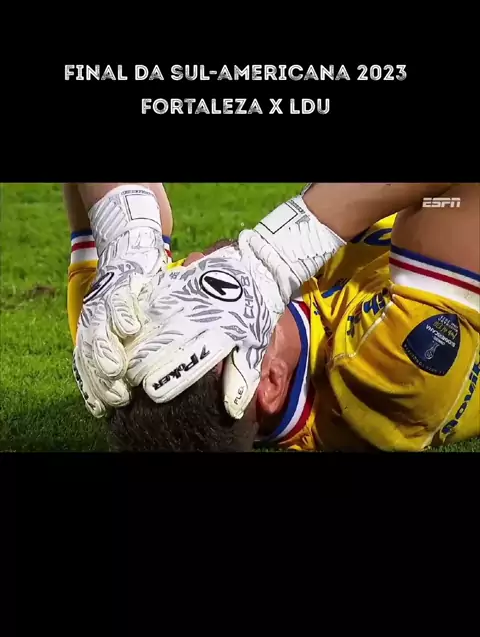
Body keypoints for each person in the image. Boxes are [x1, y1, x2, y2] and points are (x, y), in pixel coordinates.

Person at [65, 182, 480, 452]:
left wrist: (127, 237)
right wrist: (278, 252)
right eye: (207, 293)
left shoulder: (128, 343)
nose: (191, 263)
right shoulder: (390, 374)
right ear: (270, 382)